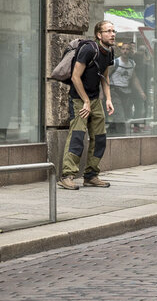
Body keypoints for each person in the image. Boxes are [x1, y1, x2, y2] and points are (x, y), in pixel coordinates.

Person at [58, 20, 116, 190]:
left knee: (100, 137)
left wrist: (108, 99)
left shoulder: (109, 51)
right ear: (99, 34)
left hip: (95, 99)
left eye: (114, 31)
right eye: (108, 31)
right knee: (77, 135)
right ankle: (67, 175)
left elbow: (104, 76)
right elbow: (75, 77)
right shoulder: (89, 49)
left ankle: (91, 176)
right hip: (79, 99)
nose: (112, 34)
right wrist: (85, 101)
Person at [109, 41, 147, 134]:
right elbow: (106, 76)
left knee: (124, 115)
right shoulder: (115, 62)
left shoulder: (132, 63)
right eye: (123, 49)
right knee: (119, 116)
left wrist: (141, 92)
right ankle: (122, 136)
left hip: (125, 92)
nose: (125, 51)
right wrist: (103, 93)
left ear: (130, 51)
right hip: (115, 91)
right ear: (120, 50)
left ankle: (112, 131)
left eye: (127, 49)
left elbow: (134, 78)